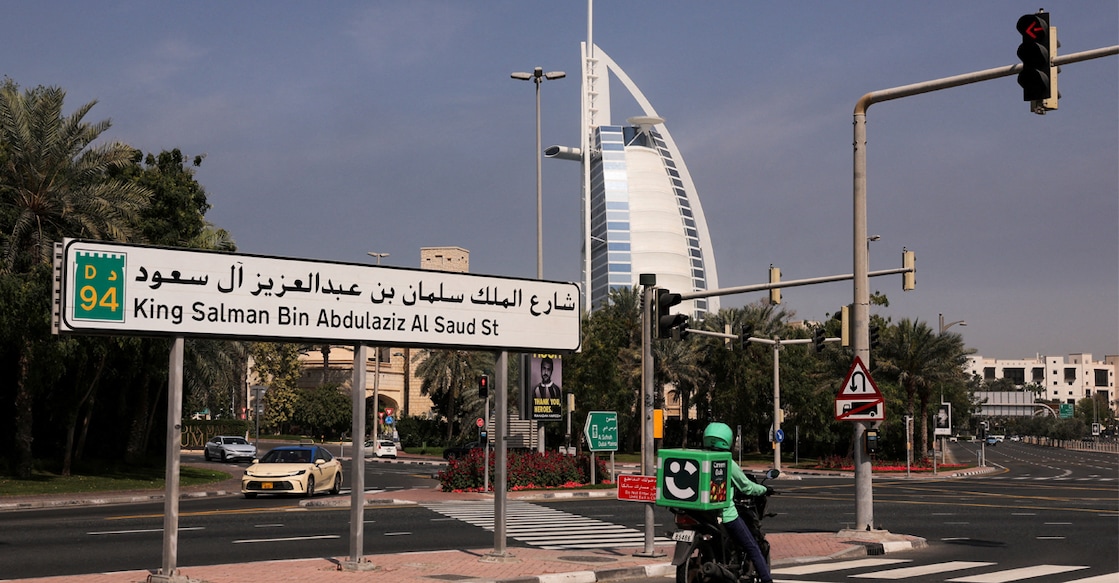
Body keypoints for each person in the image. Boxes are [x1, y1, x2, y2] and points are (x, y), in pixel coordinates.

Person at [702, 422, 774, 583]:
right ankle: (767, 580)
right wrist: (764, 490)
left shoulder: (700, 459)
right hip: (725, 515)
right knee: (752, 546)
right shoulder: (727, 462)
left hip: (701, 514)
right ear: (727, 441)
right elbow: (746, 487)